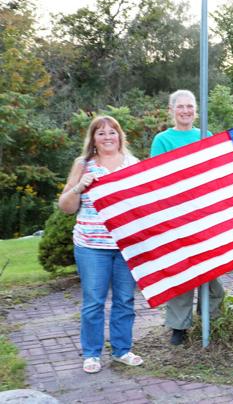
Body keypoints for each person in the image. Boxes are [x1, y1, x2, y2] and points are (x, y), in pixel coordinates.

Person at [58, 116, 144, 374]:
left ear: (120, 136)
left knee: (124, 300)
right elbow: (65, 207)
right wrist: (79, 187)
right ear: (93, 139)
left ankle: (121, 350)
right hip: (91, 245)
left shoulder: (132, 164)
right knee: (94, 301)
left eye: (112, 132)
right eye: (101, 133)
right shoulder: (83, 164)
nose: (107, 137)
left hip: (126, 245)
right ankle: (92, 354)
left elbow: (141, 205)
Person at [150, 89, 225, 345]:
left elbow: (213, 175)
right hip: (176, 216)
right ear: (171, 110)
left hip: (203, 215)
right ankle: (178, 326)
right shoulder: (163, 140)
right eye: (180, 106)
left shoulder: (206, 136)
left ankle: (212, 319)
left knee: (209, 270)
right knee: (181, 271)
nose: (185, 111)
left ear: (196, 110)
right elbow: (158, 178)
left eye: (190, 106)